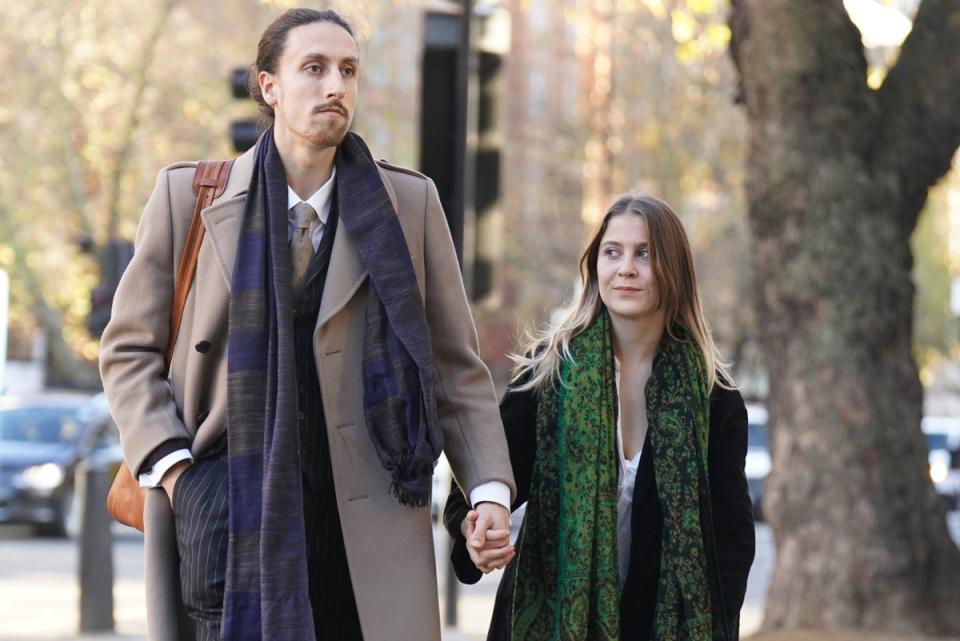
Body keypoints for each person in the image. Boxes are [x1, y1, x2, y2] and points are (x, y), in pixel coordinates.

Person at [99, 9, 514, 641]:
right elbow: (128, 350)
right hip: (230, 518)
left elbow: (457, 371)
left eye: (348, 71)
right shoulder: (190, 198)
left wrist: (487, 491)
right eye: (313, 68)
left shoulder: (409, 206)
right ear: (268, 85)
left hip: (365, 536)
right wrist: (180, 475)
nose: (335, 87)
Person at [444, 194, 756, 641]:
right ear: (595, 266)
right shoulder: (550, 374)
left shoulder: (714, 399)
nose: (625, 268)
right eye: (613, 252)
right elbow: (476, 484)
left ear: (676, 271)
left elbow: (731, 539)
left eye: (644, 254)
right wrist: (475, 530)